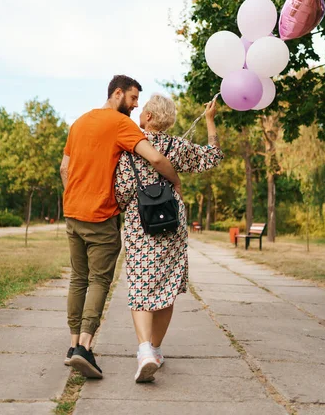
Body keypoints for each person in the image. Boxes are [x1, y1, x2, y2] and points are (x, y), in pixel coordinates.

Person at [60, 76, 182, 379]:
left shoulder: (79, 122)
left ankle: (72, 344)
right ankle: (85, 347)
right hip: (100, 215)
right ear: (118, 93)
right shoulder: (121, 124)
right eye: (133, 97)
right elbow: (154, 157)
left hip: (73, 213)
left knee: (78, 278)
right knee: (100, 281)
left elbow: (64, 167)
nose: (137, 104)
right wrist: (176, 182)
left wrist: (73, 197)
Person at [115, 93, 223, 383]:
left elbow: (122, 192)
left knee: (140, 285)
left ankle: (144, 351)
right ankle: (157, 349)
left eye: (143, 110)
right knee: (165, 286)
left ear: (148, 117)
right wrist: (210, 121)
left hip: (141, 224)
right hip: (173, 224)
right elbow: (212, 158)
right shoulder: (177, 146)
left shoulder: (131, 147)